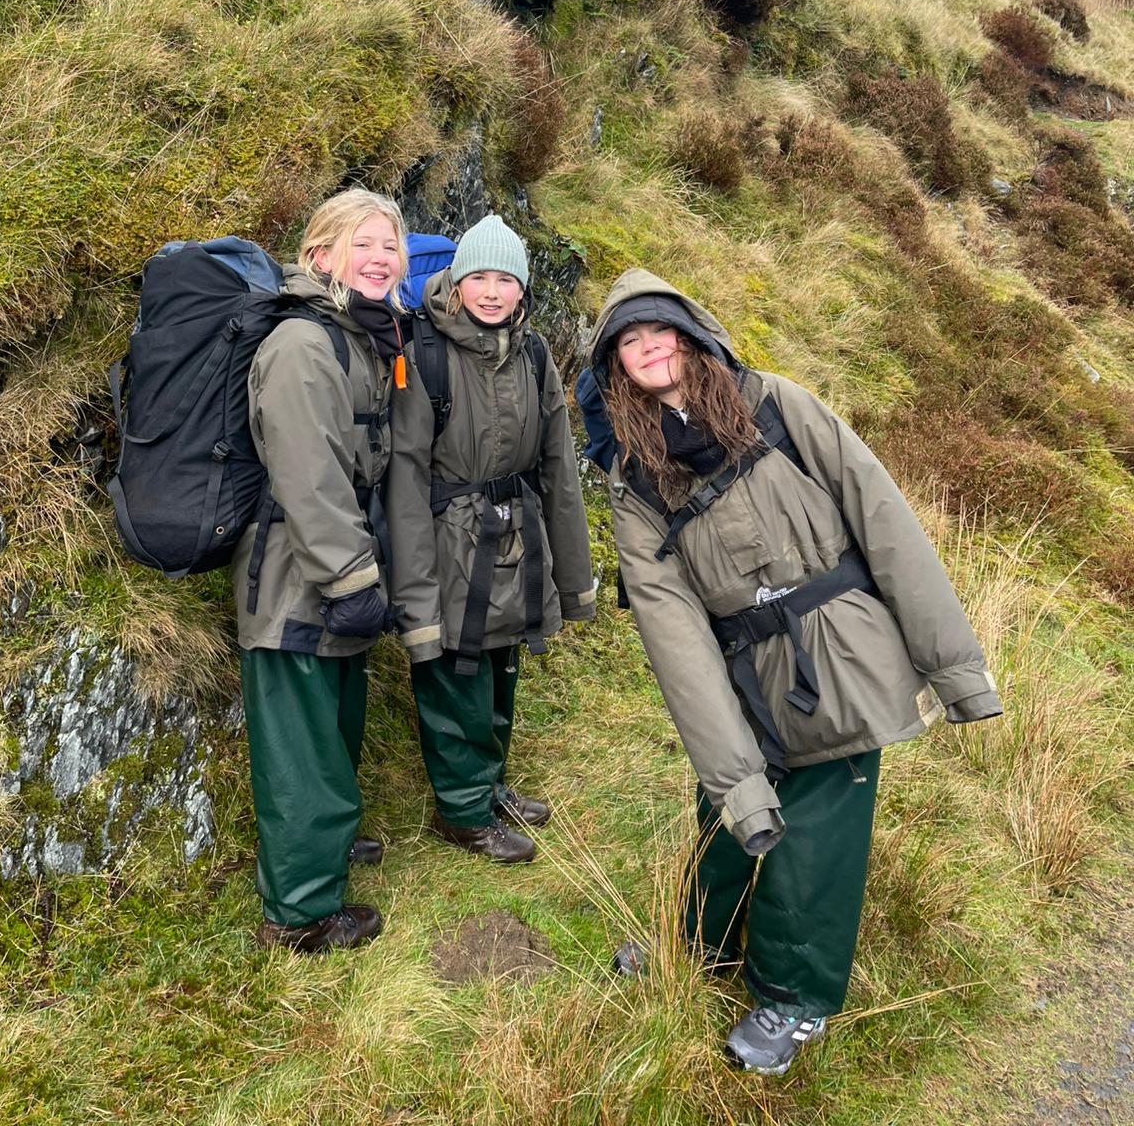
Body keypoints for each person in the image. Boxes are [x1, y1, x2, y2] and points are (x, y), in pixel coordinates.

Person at [583, 267, 1001, 1075]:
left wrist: (955, 669)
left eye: (660, 329)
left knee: (816, 835)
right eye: (630, 341)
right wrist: (732, 770)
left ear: (692, 334)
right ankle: (697, 946)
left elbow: (882, 520)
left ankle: (791, 997)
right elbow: (673, 634)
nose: (650, 347)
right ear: (614, 366)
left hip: (843, 654)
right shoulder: (634, 480)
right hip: (741, 668)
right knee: (728, 810)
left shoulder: (777, 404)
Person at [387, 214, 595, 862]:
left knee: (500, 667)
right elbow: (405, 478)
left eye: (505, 279)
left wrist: (573, 579)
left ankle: (489, 786)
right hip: (449, 544)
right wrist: (415, 592)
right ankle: (463, 813)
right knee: (456, 674)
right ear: (457, 282)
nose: (492, 291)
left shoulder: (533, 354)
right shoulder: (424, 354)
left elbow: (559, 469)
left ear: (522, 288)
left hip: (516, 538)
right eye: (478, 277)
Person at [232, 189, 408, 953]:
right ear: (318, 256)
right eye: (361, 243)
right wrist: (350, 580)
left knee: (334, 727)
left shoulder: (357, 337)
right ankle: (300, 917)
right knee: (301, 751)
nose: (380, 257)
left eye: (390, 246)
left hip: (332, 571)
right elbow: (308, 476)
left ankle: (323, 850)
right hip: (293, 581)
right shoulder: (304, 344)